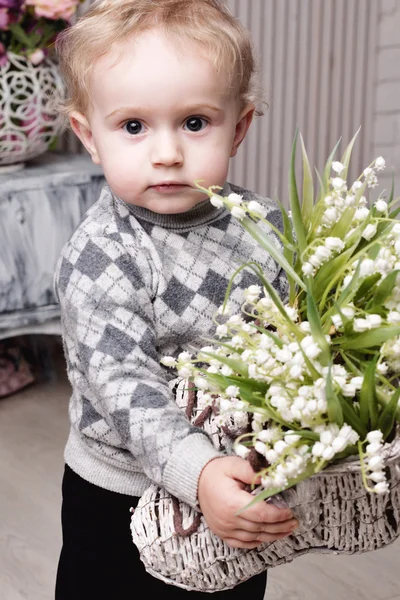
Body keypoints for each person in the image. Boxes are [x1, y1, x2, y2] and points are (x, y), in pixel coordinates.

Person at [54, 1, 299, 598]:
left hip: (236, 486)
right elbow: (125, 389)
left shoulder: (266, 227)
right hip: (119, 495)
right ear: (90, 136)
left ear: (238, 127)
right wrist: (201, 472)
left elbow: (301, 337)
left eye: (194, 123)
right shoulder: (103, 254)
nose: (167, 153)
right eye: (133, 126)